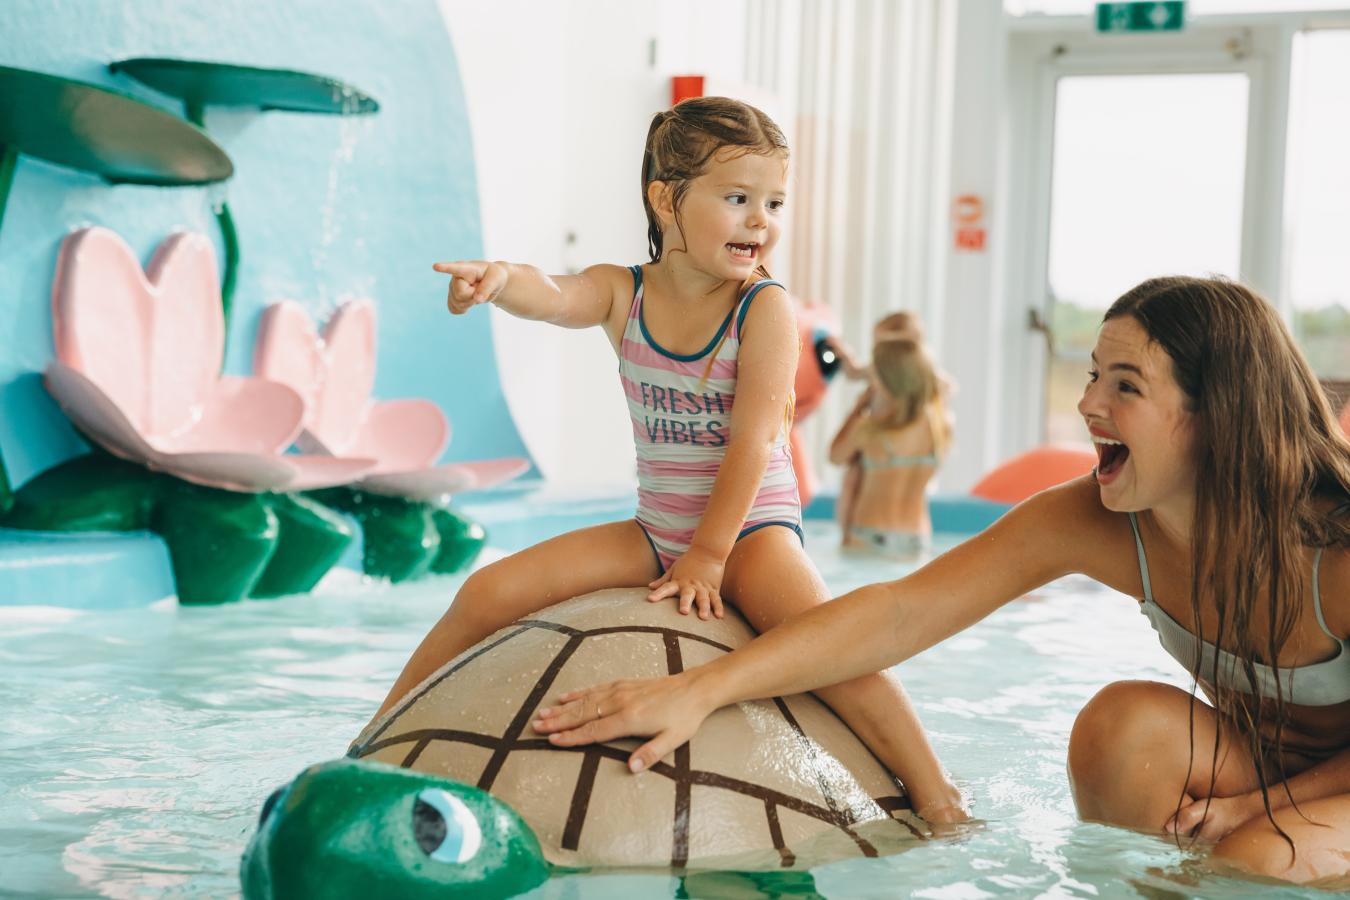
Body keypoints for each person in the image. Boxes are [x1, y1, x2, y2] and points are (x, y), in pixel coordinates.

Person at [534, 275, 1350, 885]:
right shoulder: (1094, 520)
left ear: (1220, 415)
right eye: (1093, 373)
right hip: (1254, 757)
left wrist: (1250, 811)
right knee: (1121, 726)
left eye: (1125, 386)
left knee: (1254, 861)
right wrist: (704, 689)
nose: (1088, 403)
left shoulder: (1335, 547)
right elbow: (897, 613)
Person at [364, 96, 966, 824]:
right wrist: (499, 282)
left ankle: (939, 797)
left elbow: (754, 444)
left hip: (748, 532)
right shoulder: (626, 292)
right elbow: (557, 294)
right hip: (655, 532)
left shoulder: (763, 309)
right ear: (666, 198)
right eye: (737, 198)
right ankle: (369, 748)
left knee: (835, 649)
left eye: (774, 202)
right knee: (484, 594)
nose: (760, 221)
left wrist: (710, 555)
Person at [830, 331, 952, 557]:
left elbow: (835, 456)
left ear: (886, 381)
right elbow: (943, 387)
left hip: (871, 535)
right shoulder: (941, 427)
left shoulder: (870, 431)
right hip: (918, 538)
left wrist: (858, 408)